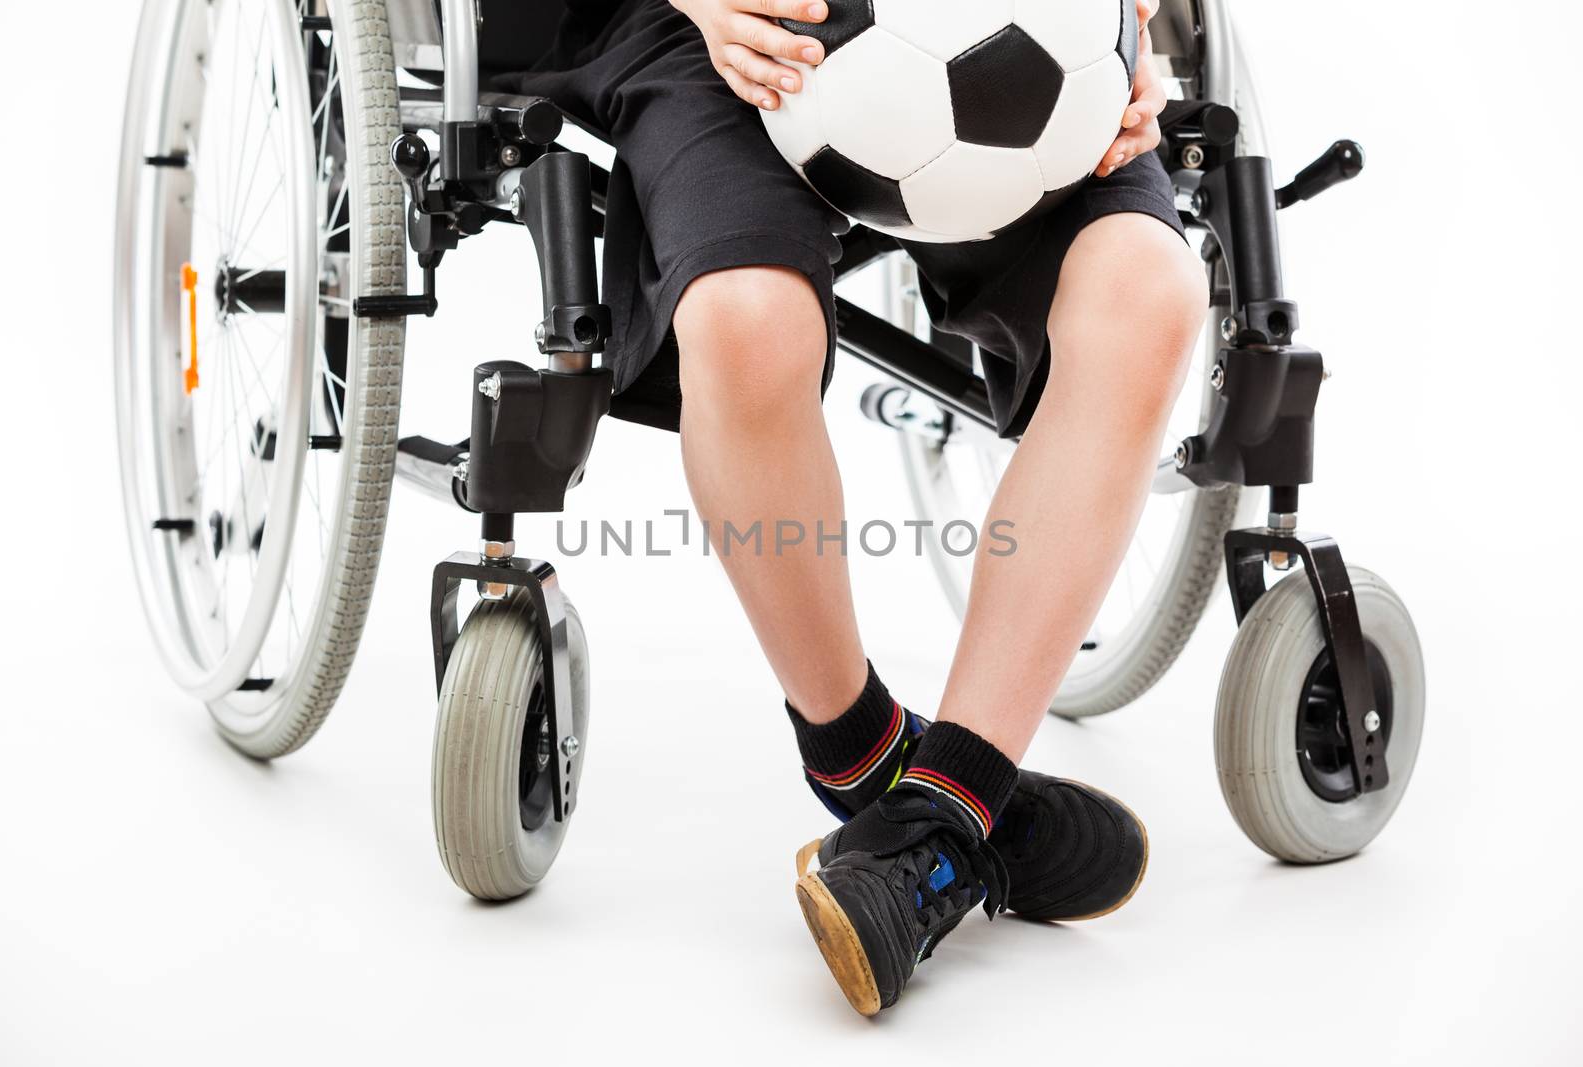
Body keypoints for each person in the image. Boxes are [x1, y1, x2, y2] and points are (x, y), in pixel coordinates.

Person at [498, 0, 1206, 1015]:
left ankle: (941, 808)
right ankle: (868, 758)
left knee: (1147, 290)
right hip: (712, 27)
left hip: (1026, 35)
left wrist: (1122, 31)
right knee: (747, 320)